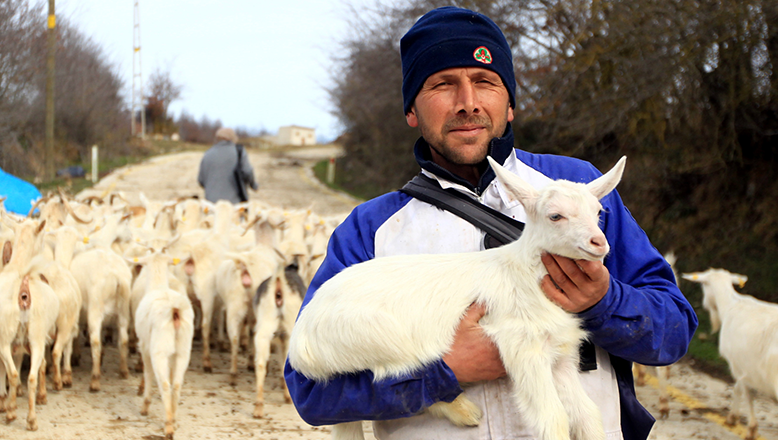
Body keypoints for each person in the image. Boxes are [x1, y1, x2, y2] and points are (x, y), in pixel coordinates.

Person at [284, 6, 697, 440]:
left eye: (485, 82)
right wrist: (445, 372)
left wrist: (602, 301)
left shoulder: (579, 191)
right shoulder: (370, 229)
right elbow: (312, 393)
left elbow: (673, 331)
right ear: (411, 110)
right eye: (443, 84)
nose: (468, 103)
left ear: (510, 103)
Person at [197, 127, 257, 203]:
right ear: (233, 138)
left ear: (217, 138)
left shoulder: (207, 154)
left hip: (211, 204)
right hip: (234, 204)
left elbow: (201, 180)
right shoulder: (239, 151)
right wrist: (253, 185)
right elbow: (247, 172)